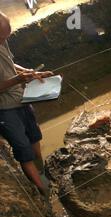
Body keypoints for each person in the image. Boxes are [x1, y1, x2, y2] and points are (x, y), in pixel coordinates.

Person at [0, 11, 53, 196]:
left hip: (22, 98)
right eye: (2, 36)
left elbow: (10, 65)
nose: (5, 40)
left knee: (34, 136)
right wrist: (17, 80)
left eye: (6, 35)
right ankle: (41, 188)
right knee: (22, 148)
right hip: (5, 110)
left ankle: (42, 169)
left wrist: (29, 73)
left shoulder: (2, 40)